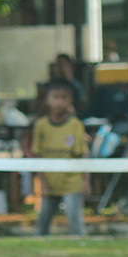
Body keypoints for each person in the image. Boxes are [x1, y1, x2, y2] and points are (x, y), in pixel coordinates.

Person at [31, 79, 89, 236]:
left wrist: (86, 180)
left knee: (73, 216)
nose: (59, 102)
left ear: (70, 101)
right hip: (50, 182)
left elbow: (83, 153)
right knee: (43, 219)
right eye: (55, 97)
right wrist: (41, 181)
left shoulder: (75, 125)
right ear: (47, 100)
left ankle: (82, 245)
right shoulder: (41, 125)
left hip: (71, 182)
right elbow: (37, 155)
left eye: (63, 98)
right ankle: (39, 248)